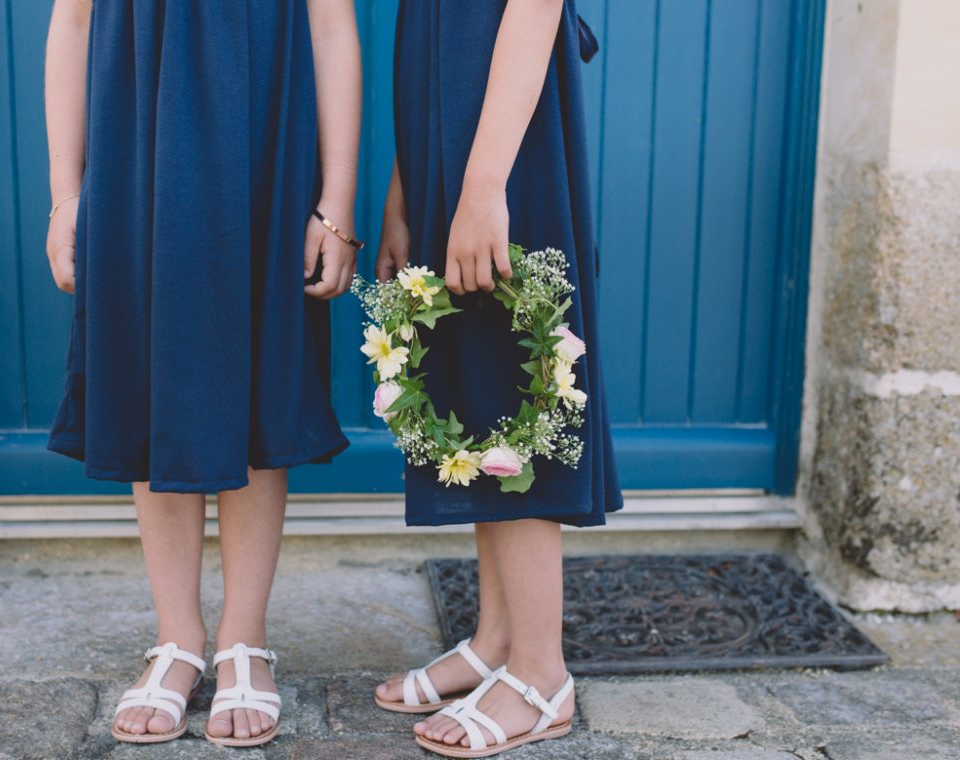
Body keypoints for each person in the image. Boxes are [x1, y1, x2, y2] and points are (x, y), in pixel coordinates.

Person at [42, 0, 361, 746]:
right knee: (152, 375)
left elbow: (331, 25)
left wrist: (336, 199)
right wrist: (66, 194)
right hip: (134, 144)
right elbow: (74, 22)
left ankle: (244, 636)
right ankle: (178, 637)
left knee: (257, 375)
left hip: (263, 140)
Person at [372, 1, 623, 756]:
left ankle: (542, 673)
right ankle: (497, 640)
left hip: (503, 141)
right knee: (474, 374)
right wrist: (404, 188)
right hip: (447, 134)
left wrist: (484, 184)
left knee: (517, 374)